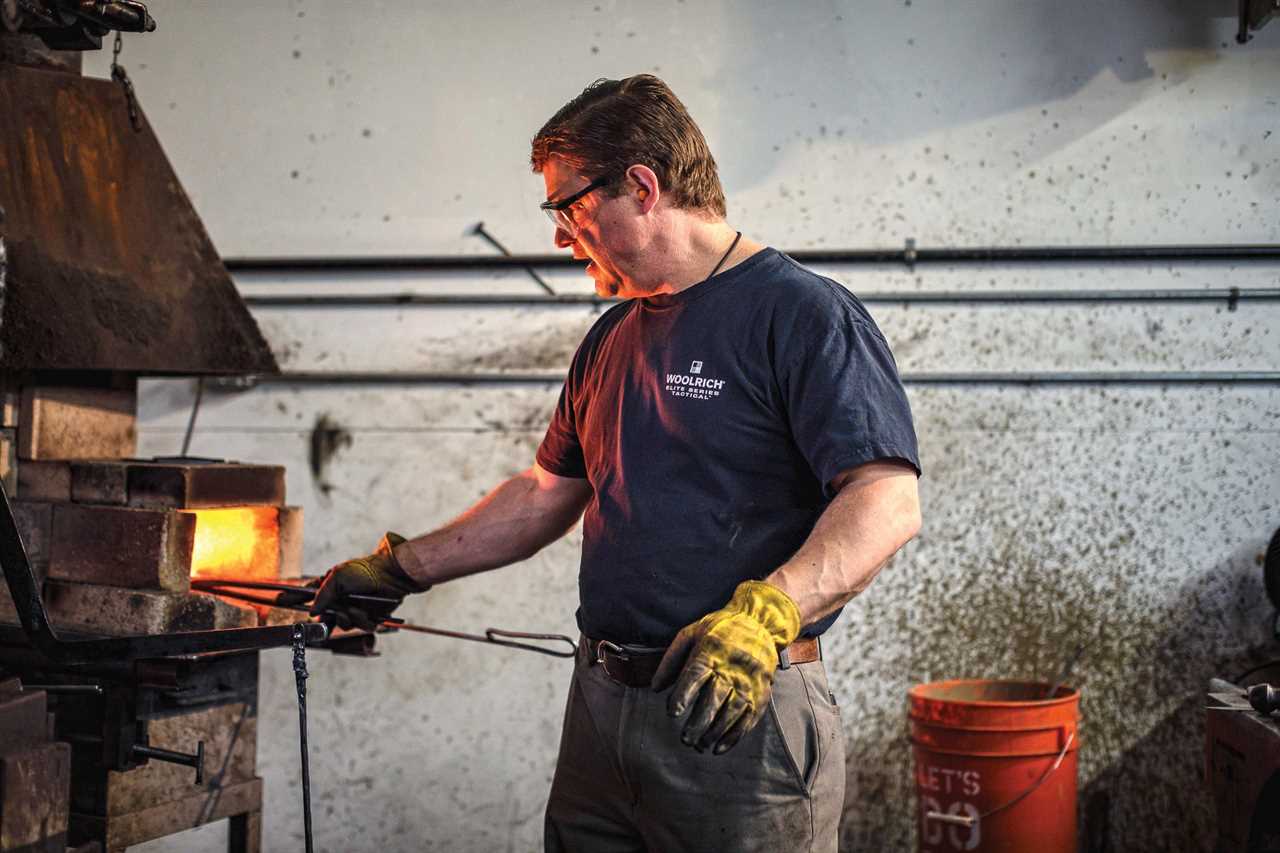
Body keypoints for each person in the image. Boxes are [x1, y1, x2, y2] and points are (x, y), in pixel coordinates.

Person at [312, 74, 922, 853]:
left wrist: (764, 616)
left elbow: (885, 499)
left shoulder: (802, 314)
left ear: (640, 185)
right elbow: (542, 494)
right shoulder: (610, 338)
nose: (562, 236)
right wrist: (399, 569)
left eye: (568, 206)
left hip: (736, 713)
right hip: (602, 713)